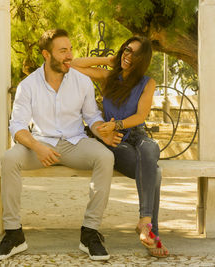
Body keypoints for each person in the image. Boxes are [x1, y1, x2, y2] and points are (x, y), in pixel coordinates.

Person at [0, 29, 123, 261]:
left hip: (74, 143)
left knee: (105, 157)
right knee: (9, 159)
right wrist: (37, 147)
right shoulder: (28, 85)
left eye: (70, 49)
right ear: (46, 55)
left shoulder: (82, 82)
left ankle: (90, 233)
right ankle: (13, 234)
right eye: (63, 51)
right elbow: (17, 126)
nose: (69, 55)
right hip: (39, 144)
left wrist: (103, 132)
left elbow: (91, 117)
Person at [71, 36, 169, 257]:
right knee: (155, 172)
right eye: (127, 50)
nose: (128, 55)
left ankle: (144, 222)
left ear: (142, 60)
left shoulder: (147, 83)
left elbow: (141, 116)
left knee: (150, 148)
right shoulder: (109, 77)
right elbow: (73, 65)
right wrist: (108, 59)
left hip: (136, 134)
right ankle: (151, 232)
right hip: (113, 139)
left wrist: (118, 123)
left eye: (134, 53)